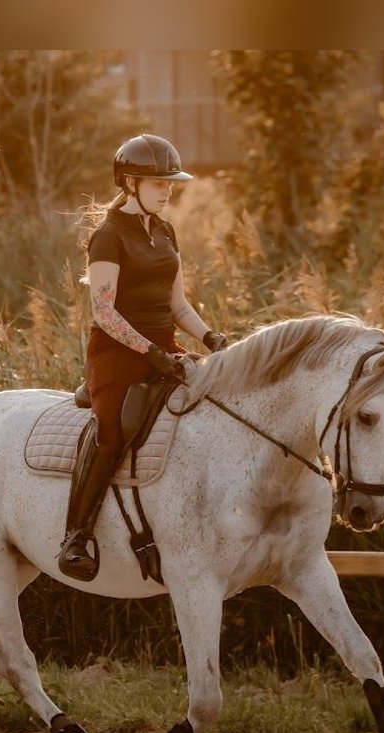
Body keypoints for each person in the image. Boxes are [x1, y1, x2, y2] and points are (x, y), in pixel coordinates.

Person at [58, 133, 229, 581]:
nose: (168, 189)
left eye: (171, 182)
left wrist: (212, 338)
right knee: (113, 428)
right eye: (158, 182)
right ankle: (77, 535)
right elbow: (104, 312)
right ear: (129, 182)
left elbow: (178, 306)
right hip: (117, 352)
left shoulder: (165, 230)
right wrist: (151, 352)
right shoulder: (108, 236)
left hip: (164, 348)